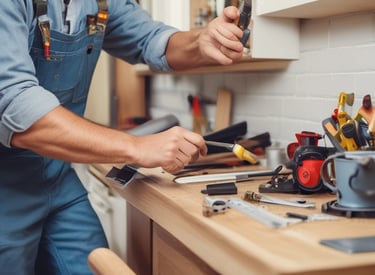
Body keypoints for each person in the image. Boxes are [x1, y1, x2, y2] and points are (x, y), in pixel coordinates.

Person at [0, 0, 245, 274]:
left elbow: (151, 39)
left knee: (96, 264)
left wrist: (202, 41)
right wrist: (136, 147)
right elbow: (13, 104)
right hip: (5, 185)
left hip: (56, 177)